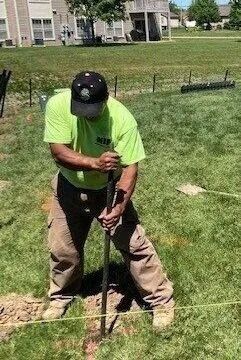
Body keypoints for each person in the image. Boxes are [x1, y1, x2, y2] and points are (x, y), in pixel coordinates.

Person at [42, 71, 174, 330]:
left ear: (106, 100)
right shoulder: (58, 105)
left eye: (92, 108)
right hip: (68, 187)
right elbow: (58, 152)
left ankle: (161, 302)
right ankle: (61, 297)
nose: (85, 113)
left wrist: (118, 207)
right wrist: (94, 162)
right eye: (80, 107)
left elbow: (130, 169)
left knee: (134, 246)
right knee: (62, 249)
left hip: (108, 190)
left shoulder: (122, 120)